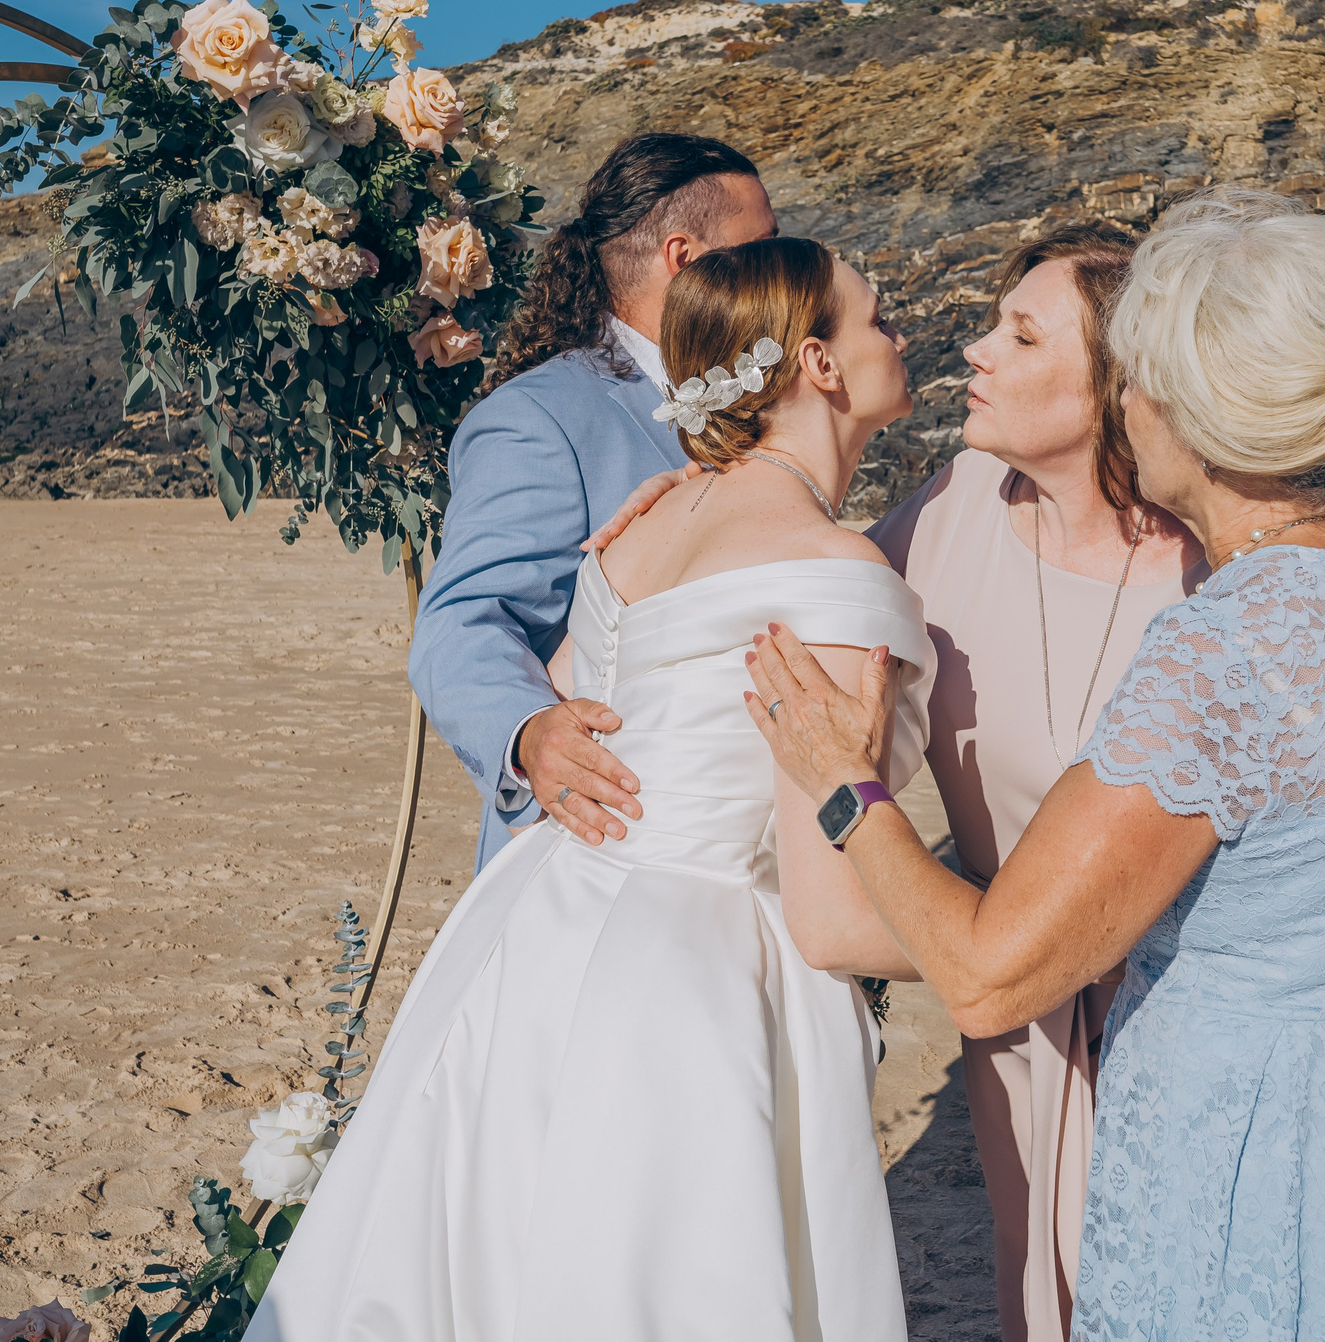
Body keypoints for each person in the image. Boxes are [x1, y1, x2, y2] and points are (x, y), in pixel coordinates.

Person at [745, 188, 1325, 1340]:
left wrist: (846, 782)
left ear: (1189, 411)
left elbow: (986, 976)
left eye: (1137, 377)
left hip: (1246, 1145)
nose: (1126, 400)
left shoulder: (1220, 650)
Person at [249, 238, 933, 1341]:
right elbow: (832, 916)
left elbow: (587, 691)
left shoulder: (646, 522)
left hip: (540, 925)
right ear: (819, 363)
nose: (898, 335)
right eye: (877, 319)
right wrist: (1013, 931)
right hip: (699, 975)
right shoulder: (836, 577)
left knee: (502, 1252)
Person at [408, 131, 775, 873]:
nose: (786, 265)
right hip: (598, 848)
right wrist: (531, 732)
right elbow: (460, 621)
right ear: (685, 258)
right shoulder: (542, 417)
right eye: (765, 244)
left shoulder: (763, 400)